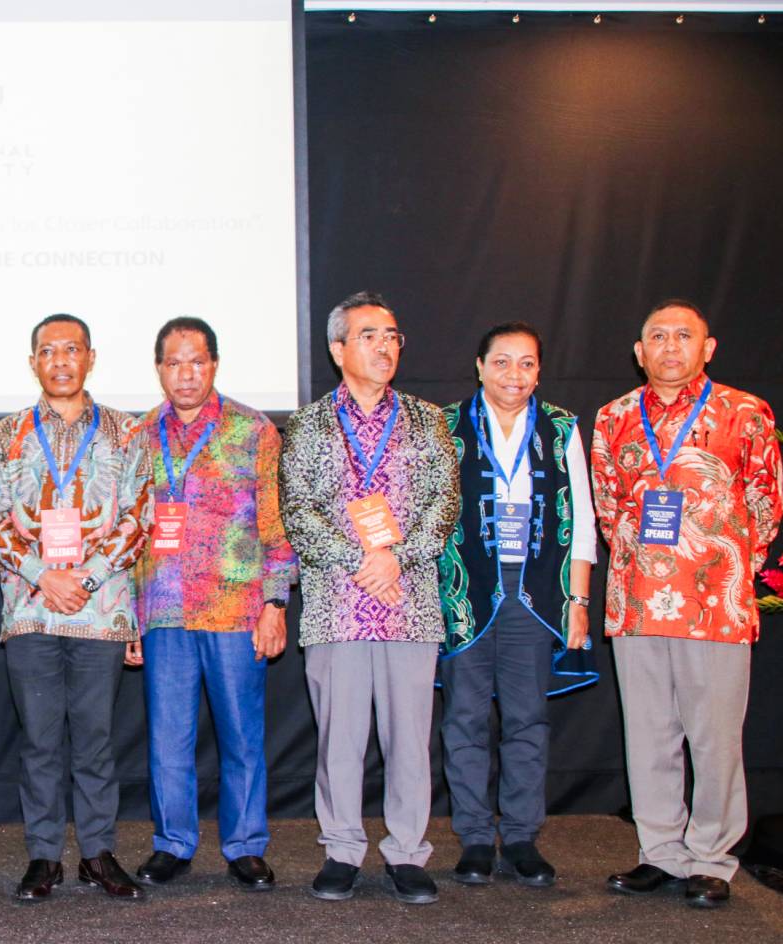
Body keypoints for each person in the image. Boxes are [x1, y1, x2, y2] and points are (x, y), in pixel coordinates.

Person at [593, 300, 781, 909]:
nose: (670, 347)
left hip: (716, 603)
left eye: (684, 336)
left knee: (714, 737)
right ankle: (660, 853)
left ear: (709, 346)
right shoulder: (614, 417)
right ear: (639, 352)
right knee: (648, 735)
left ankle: (712, 858)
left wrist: (723, 563)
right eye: (657, 337)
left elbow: (766, 504)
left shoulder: (745, 413)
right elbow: (607, 504)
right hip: (638, 600)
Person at [280, 291, 459, 905]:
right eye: (369, 336)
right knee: (340, 739)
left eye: (392, 336)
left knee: (411, 738)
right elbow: (297, 511)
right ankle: (342, 850)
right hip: (337, 603)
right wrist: (361, 559)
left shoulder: (427, 419)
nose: (385, 346)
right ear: (338, 349)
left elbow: (444, 504)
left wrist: (395, 557)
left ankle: (408, 853)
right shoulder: (306, 423)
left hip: (409, 601)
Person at [0, 313, 153, 902]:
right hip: (31, 610)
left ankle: (99, 853)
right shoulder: (6, 435)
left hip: (99, 610)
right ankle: (44, 856)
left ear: (90, 357)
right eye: (48, 351)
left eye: (71, 349)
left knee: (98, 739)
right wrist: (41, 574)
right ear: (33, 362)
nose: (60, 360)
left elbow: (138, 518)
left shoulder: (128, 434)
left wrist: (88, 574)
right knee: (40, 740)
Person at [132, 317, 296, 891]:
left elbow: (277, 526)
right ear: (159, 369)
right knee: (168, 738)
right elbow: (127, 533)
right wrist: (131, 615)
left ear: (215, 364)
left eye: (197, 361)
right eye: (174, 362)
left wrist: (276, 602)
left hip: (235, 609)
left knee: (242, 737)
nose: (186, 373)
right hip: (163, 613)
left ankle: (245, 845)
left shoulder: (253, 431)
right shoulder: (136, 437)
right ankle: (172, 843)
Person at [435, 322, 599, 889]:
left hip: (537, 589)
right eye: (501, 362)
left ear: (539, 371)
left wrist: (578, 600)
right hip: (465, 587)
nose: (513, 375)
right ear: (479, 366)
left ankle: (524, 838)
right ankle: (476, 838)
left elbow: (582, 520)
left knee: (528, 718)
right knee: (464, 719)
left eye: (526, 364)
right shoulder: (445, 426)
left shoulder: (560, 428)